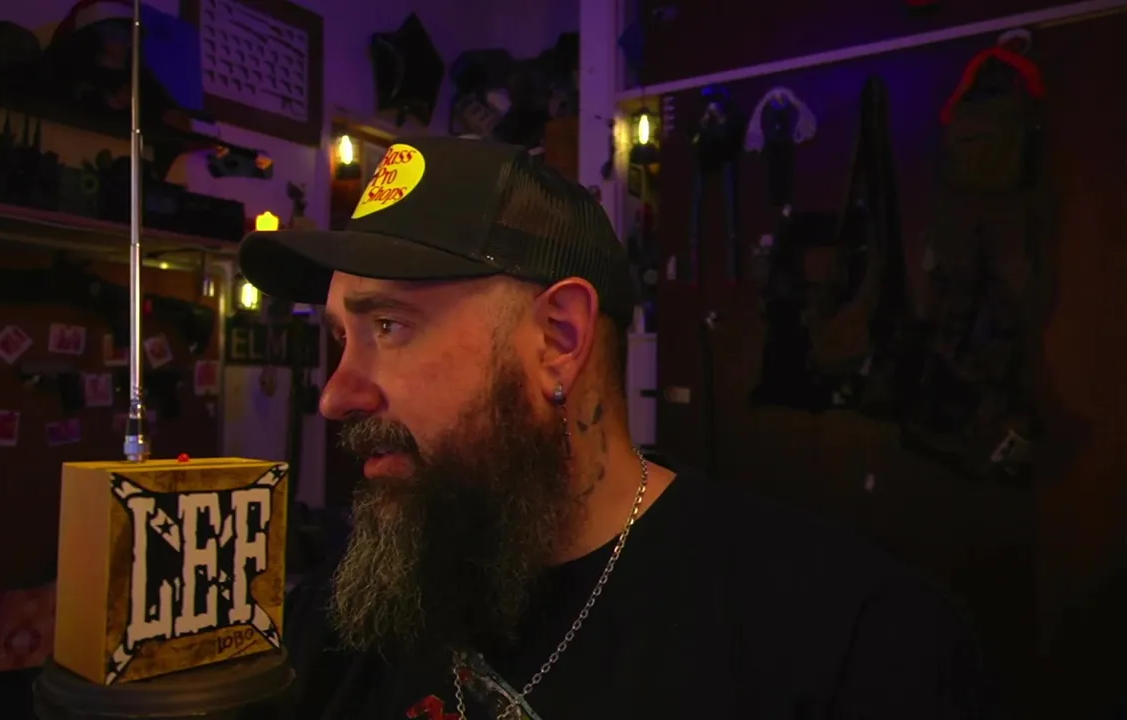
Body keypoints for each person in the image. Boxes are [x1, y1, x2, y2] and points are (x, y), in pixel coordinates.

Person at [238, 136, 996, 719]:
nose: (335, 396)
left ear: (559, 338)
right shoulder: (346, 613)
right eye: (341, 337)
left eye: (390, 326)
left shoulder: (848, 643)